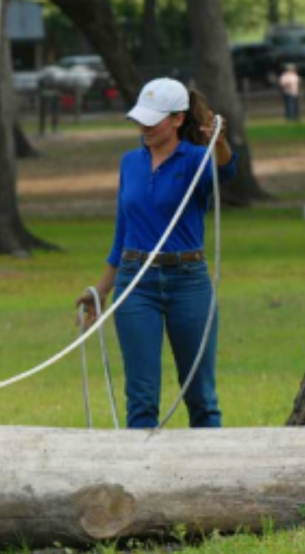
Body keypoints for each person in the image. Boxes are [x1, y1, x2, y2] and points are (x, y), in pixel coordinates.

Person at [76, 78, 237, 429]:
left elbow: (225, 171)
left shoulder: (196, 159)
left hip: (188, 281)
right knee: (141, 397)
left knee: (201, 396)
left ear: (178, 119)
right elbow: (123, 232)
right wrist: (101, 291)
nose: (144, 127)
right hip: (135, 281)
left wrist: (220, 143)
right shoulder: (130, 163)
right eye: (141, 119)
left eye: (153, 120)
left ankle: (211, 462)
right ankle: (140, 466)